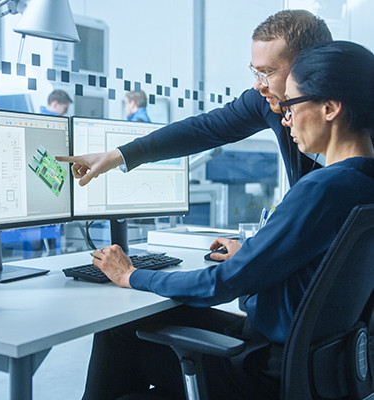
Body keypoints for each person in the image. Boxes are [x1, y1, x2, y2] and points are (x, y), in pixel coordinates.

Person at [81, 40, 374, 400]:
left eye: (292, 106)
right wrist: (256, 252)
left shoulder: (322, 188)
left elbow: (222, 283)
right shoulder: (361, 181)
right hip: (316, 368)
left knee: (118, 331)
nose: (285, 118)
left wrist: (132, 275)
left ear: (330, 108)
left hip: (261, 371)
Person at [56, 10, 332, 189]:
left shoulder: (357, 127)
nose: (258, 85)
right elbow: (203, 129)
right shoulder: (268, 100)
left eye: (268, 72)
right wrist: (118, 155)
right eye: (255, 72)